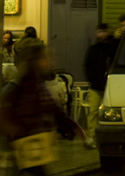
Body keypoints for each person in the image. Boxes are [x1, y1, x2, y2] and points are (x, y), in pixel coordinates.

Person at [0, 39, 83, 175]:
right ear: (33, 61)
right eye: (44, 57)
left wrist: (74, 127)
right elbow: (4, 114)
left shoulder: (38, 85)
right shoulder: (17, 87)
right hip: (20, 149)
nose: (49, 60)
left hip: (34, 148)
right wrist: (17, 130)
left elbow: (55, 110)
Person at [83, 23, 116, 149]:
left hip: (108, 86)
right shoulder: (93, 49)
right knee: (93, 111)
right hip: (96, 86)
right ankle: (92, 136)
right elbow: (87, 65)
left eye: (104, 31)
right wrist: (92, 80)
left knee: (109, 112)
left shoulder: (112, 47)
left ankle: (108, 136)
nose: (102, 34)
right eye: (100, 31)